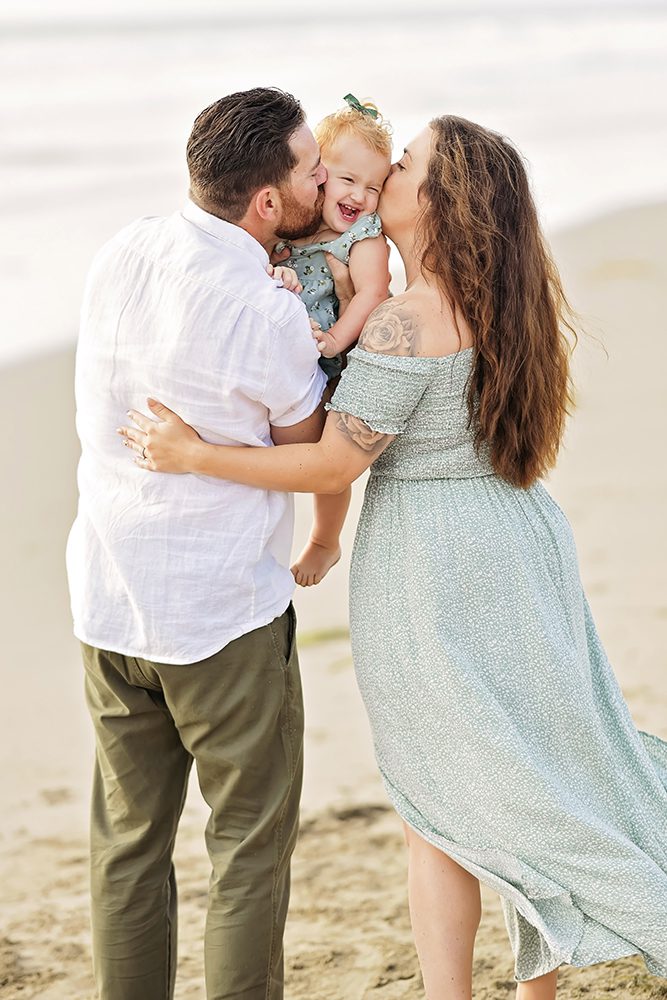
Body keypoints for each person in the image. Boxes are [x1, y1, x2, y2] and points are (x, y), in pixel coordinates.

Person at [119, 115, 667, 1000]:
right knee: (534, 770)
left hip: (435, 565)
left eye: (404, 166)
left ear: (438, 202)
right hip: (520, 540)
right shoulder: (507, 302)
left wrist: (195, 456)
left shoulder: (406, 322)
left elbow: (337, 460)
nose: (382, 179)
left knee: (436, 805)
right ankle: (538, 991)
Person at [66, 87, 329, 1000]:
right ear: (266, 203)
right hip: (222, 614)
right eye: (309, 170)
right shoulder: (265, 313)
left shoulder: (123, 248)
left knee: (128, 847)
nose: (323, 178)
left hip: (108, 592)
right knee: (249, 849)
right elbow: (314, 458)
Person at [282, 93, 393, 586]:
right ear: (320, 176)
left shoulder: (363, 235)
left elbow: (373, 292)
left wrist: (335, 341)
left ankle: (325, 539)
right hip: (293, 357)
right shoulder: (295, 229)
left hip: (339, 362)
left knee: (330, 454)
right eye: (349, 180)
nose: (361, 196)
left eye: (374, 186)